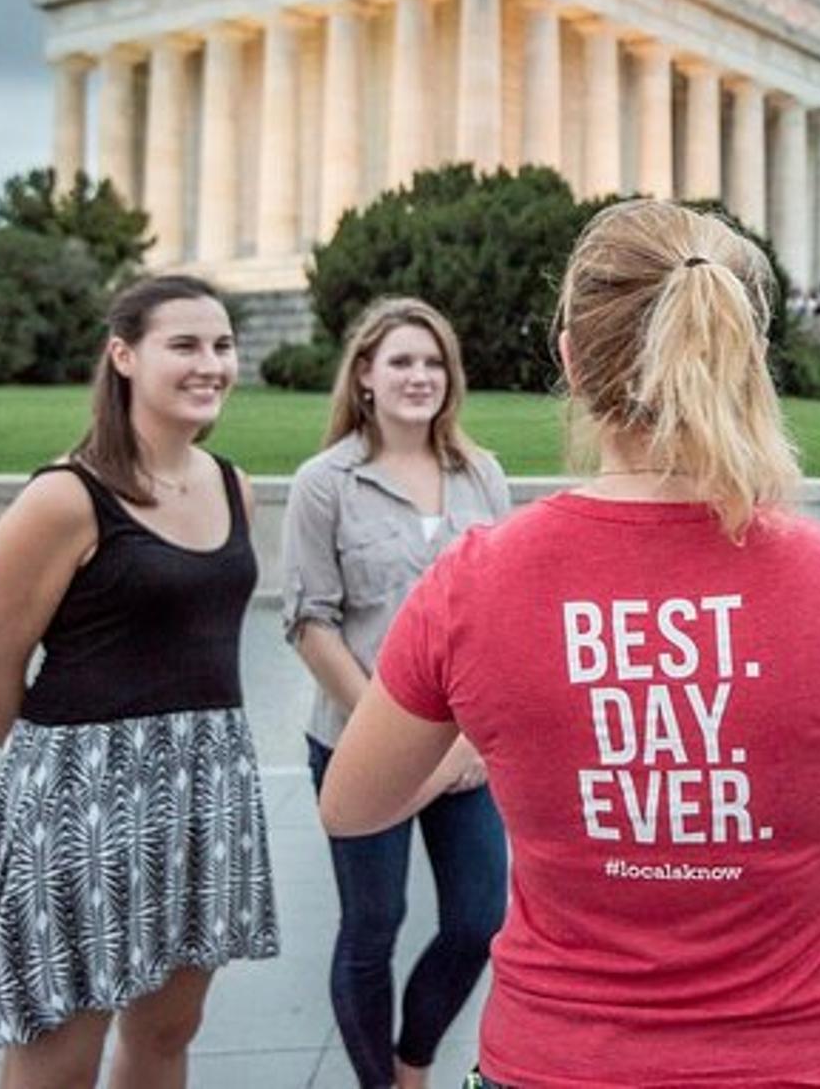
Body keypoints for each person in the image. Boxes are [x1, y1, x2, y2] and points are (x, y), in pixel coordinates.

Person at [318, 198, 820, 1088]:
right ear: (747, 358)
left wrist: (504, 729)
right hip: (800, 1061)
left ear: (571, 359)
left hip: (557, 1061)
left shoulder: (478, 580)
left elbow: (353, 801)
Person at [0, 274, 279, 1086]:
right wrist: (77, 786)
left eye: (222, 345)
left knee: (168, 1034)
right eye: (185, 345)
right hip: (85, 807)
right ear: (124, 355)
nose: (211, 364)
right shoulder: (64, 498)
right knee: (58, 1056)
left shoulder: (232, 484)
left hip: (207, 792)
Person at [282, 297, 512, 1089]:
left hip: (464, 751)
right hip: (359, 741)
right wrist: (389, 725)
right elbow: (310, 621)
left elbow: (502, 613)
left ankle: (412, 1060)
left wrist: (472, 740)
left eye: (434, 361)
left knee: (481, 918)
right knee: (372, 925)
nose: (420, 376)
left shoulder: (481, 475)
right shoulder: (325, 483)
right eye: (402, 361)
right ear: (366, 378)